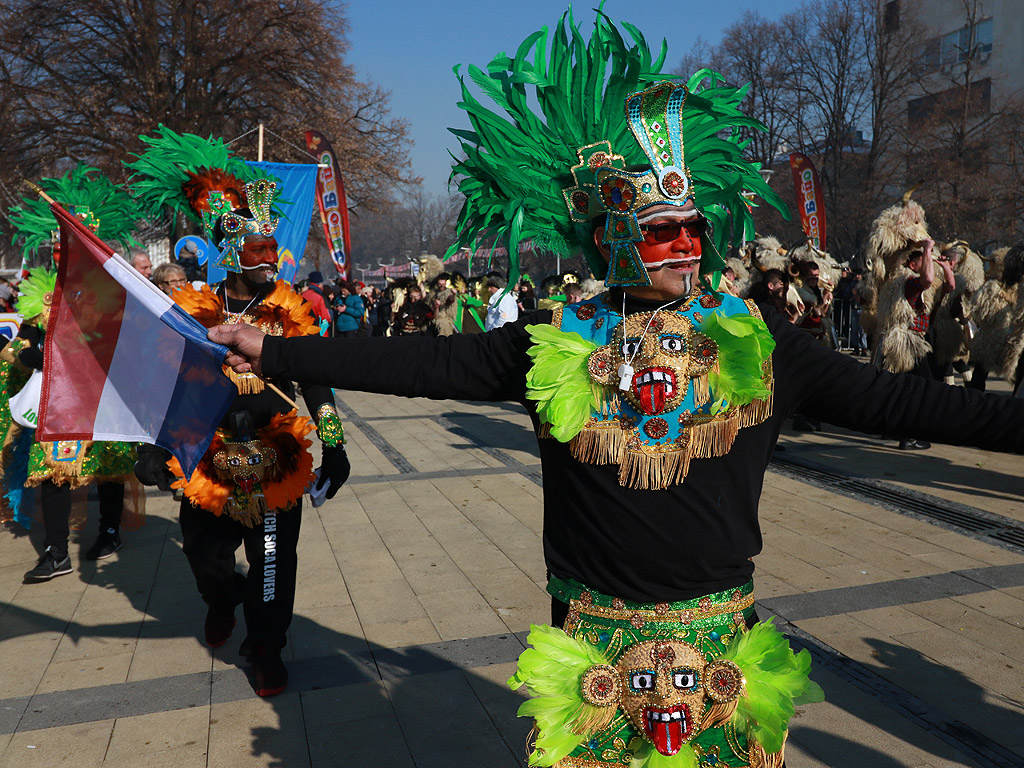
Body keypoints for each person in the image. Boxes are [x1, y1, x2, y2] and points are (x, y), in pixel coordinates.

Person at [210, 14, 1024, 768]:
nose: (687, 246)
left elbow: (909, 404)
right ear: (613, 240)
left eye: (694, 228)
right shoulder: (557, 339)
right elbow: (425, 366)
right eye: (663, 231)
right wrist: (273, 343)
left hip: (720, 652)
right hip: (592, 646)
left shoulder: (758, 339)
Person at [126, 129, 351, 697]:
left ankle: (267, 646)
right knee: (207, 560)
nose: (272, 257)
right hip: (206, 455)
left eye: (272, 247)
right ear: (230, 251)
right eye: (259, 249)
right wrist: (150, 445)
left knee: (273, 563)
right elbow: (163, 382)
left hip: (277, 456)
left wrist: (336, 442)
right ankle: (222, 600)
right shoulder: (194, 310)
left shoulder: (289, 308)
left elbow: (317, 382)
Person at [2, 165, 142, 578]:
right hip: (59, 400)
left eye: (71, 244)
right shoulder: (42, 291)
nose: (62, 252)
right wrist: (39, 355)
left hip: (106, 393)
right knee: (53, 470)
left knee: (112, 463)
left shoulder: (117, 291)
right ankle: (56, 551)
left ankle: (110, 529)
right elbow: (24, 348)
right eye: (58, 245)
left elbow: (127, 345)